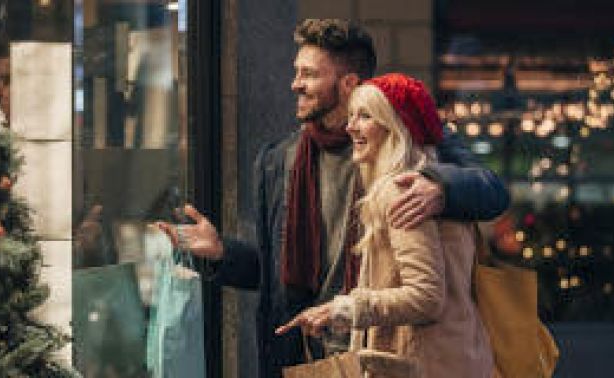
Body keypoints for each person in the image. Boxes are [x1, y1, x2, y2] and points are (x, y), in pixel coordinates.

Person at [163, 19, 508, 378]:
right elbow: (277, 278)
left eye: (309, 74)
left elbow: (493, 191)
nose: (295, 84)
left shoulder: (407, 146)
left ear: (348, 84)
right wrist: (223, 253)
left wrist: (440, 188)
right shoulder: (280, 160)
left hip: (382, 352)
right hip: (307, 355)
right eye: (297, 72)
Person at [276, 73, 494, 378]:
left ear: (395, 127)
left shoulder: (402, 189)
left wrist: (344, 309)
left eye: (365, 116)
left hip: (424, 366)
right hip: (456, 359)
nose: (350, 127)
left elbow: (426, 296)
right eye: (351, 116)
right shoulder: (434, 185)